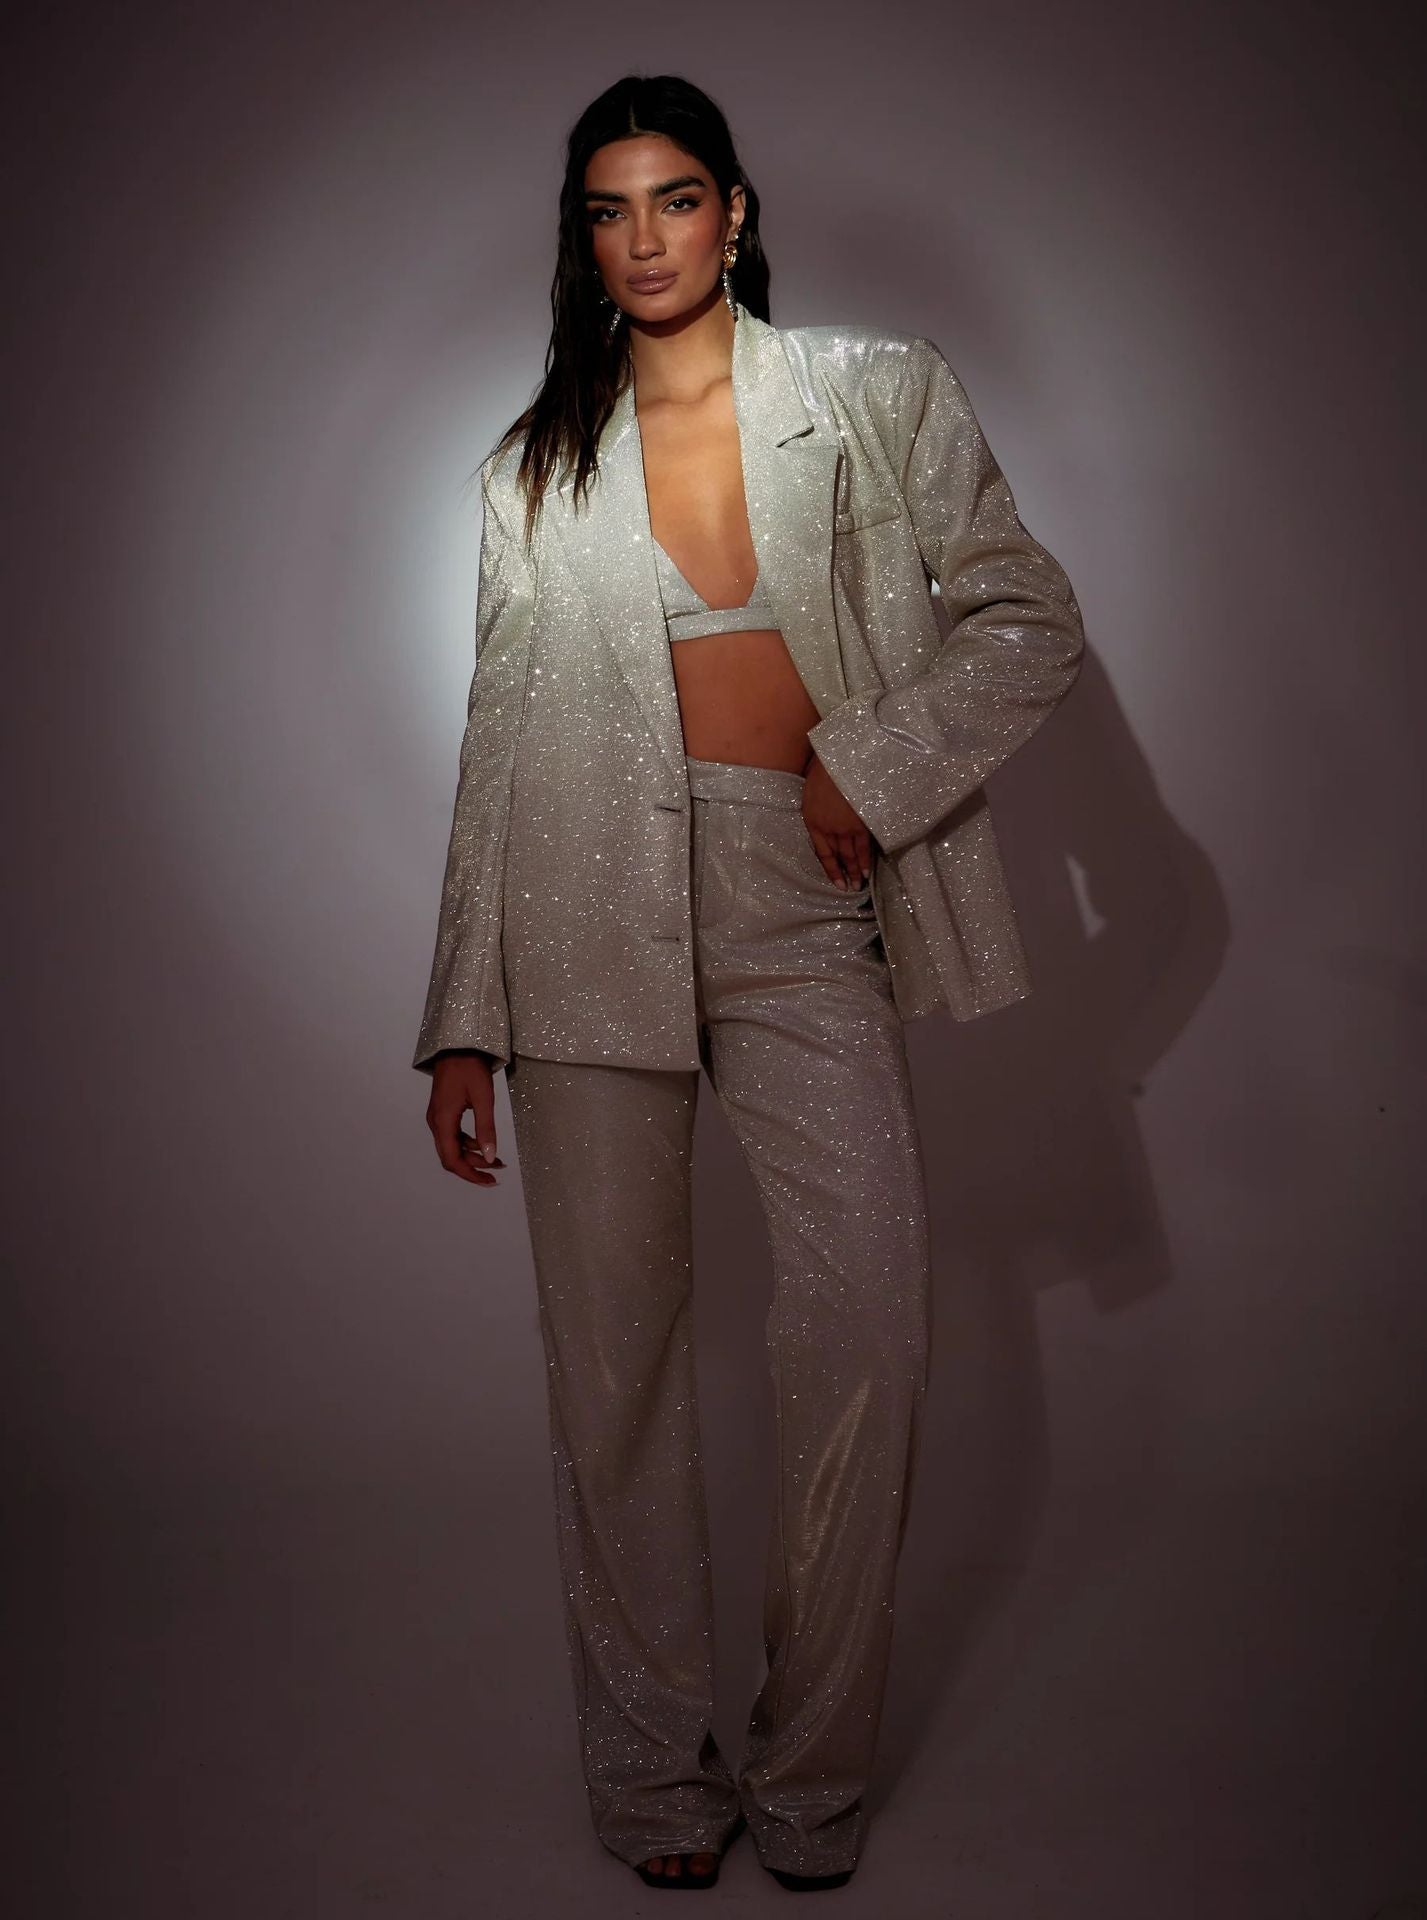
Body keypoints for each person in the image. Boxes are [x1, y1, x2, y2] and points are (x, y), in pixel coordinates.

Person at [414, 73, 1084, 1893]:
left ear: (736, 211)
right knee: (615, 1372)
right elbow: (495, 743)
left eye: (676, 198)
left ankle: (809, 1778)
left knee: (867, 1316)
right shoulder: (531, 467)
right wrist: (463, 1015)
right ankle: (652, 1784)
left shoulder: (874, 389)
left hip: (800, 897)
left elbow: (1025, 615)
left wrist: (870, 760)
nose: (643, 238)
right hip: (577, 912)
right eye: (608, 209)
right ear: (584, 239)